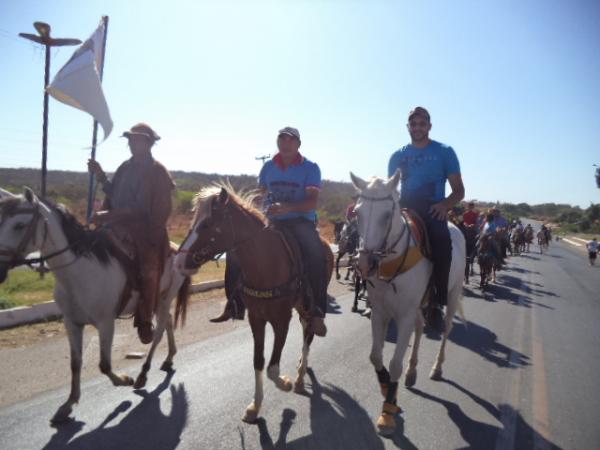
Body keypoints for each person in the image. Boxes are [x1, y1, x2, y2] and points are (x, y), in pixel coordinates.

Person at [211, 126, 329, 337]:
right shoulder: (268, 167)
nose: (285, 143)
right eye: (281, 138)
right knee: (236, 250)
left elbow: (312, 202)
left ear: (298, 144)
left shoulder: (310, 167)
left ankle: (317, 309)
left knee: (316, 253)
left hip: (300, 221)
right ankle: (234, 304)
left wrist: (288, 207)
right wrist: (255, 210)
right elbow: (260, 196)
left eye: (290, 139)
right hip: (271, 221)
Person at [88, 123, 175, 344]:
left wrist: (152, 235)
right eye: (130, 140)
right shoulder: (124, 168)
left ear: (149, 143)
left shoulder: (158, 171)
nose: (132, 144)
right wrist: (99, 176)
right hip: (117, 222)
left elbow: (162, 207)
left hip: (145, 228)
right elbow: (114, 192)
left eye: (137, 140)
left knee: (148, 268)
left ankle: (145, 319)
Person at [388, 107, 465, 332]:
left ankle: (437, 303)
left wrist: (444, 206)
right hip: (405, 208)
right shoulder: (397, 155)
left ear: (429, 126)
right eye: (413, 124)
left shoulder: (445, 152)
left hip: (433, 210)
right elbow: (392, 189)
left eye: (422, 124)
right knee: (377, 242)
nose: (417, 128)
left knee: (442, 244)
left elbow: (459, 191)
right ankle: (374, 296)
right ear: (408, 127)